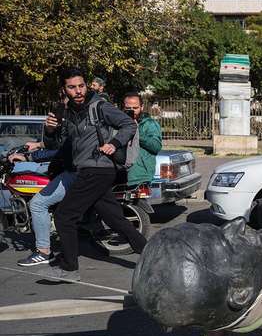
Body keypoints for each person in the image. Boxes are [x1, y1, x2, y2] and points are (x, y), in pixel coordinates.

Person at [40, 68, 146, 280]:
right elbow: (59, 145)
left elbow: (128, 125)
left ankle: (70, 269)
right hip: (89, 170)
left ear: (86, 86)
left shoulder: (100, 106)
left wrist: (114, 144)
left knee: (64, 216)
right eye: (72, 87)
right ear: (64, 90)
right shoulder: (66, 112)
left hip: (98, 168)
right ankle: (154, 253)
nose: (78, 91)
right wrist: (49, 131)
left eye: (81, 86)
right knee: (115, 219)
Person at [10, 140, 76, 267]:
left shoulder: (77, 122)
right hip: (75, 168)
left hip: (76, 171)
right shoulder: (76, 123)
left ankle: (44, 252)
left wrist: (30, 156)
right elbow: (61, 142)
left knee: (37, 204)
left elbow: (63, 147)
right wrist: (39, 144)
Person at [123, 92, 162, 186]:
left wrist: (136, 132)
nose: (132, 111)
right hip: (120, 173)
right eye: (128, 108)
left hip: (140, 175)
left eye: (135, 108)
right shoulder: (118, 123)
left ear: (142, 107)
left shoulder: (149, 124)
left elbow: (156, 147)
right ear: (123, 107)